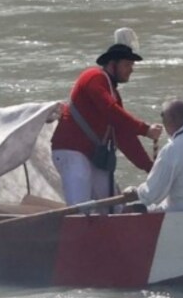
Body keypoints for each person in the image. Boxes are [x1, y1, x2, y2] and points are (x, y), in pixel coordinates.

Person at [51, 28, 163, 205]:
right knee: (81, 208)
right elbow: (109, 109)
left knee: (114, 205)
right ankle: (79, 228)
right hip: (70, 151)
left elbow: (125, 137)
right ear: (112, 64)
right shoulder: (93, 77)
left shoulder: (114, 94)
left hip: (92, 155)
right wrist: (145, 129)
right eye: (127, 65)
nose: (131, 70)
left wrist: (150, 167)